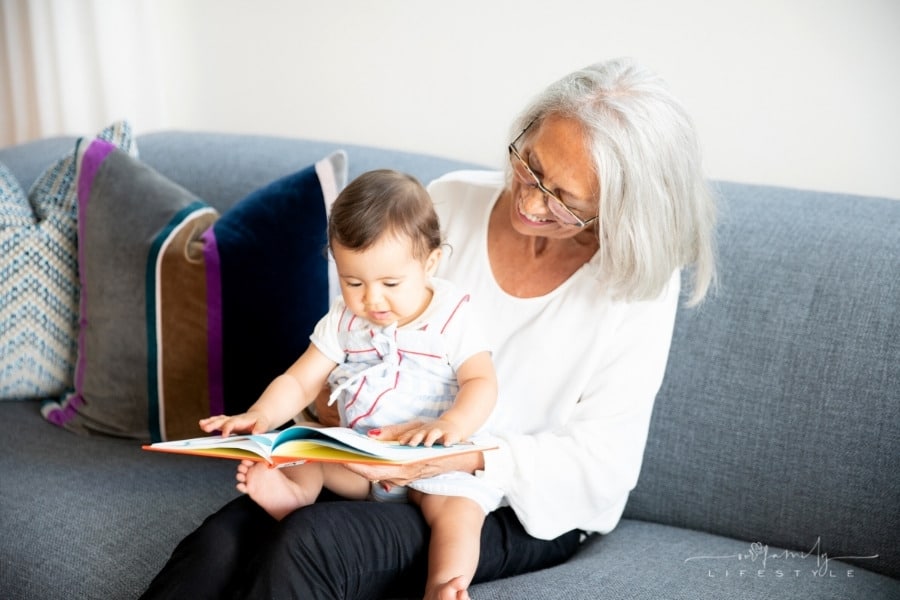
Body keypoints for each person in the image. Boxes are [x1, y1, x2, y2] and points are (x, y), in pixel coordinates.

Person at [142, 57, 716, 600]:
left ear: (619, 209)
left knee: (310, 544)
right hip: (379, 456)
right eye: (531, 165)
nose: (530, 201)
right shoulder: (447, 203)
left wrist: (448, 458)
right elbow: (351, 338)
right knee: (220, 545)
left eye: (562, 199)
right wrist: (330, 416)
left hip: (504, 499)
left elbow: (601, 466)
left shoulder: (637, 285)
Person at [197, 168, 503, 599]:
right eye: (353, 281)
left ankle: (444, 586)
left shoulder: (453, 315)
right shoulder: (344, 319)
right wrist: (259, 415)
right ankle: (293, 499)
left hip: (435, 461)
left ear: (430, 262)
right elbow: (301, 381)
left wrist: (453, 426)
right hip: (362, 463)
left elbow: (481, 381)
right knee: (306, 446)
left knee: (457, 512)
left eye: (390, 284)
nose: (372, 300)